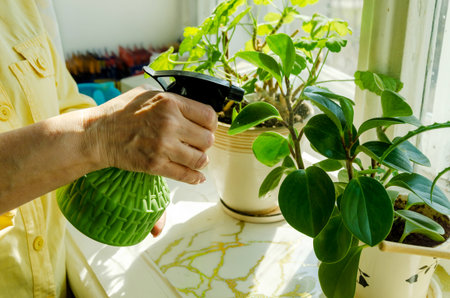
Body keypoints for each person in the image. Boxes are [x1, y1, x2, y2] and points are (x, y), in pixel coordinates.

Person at [0, 1, 217, 297]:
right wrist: (99, 137)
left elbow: (63, 103)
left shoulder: (23, 6)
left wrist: (126, 168)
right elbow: (88, 131)